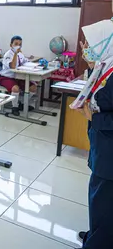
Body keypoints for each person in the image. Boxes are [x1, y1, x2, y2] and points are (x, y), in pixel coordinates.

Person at [70, 19, 113, 249]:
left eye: (94, 43)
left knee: (105, 202)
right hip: (102, 145)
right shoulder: (108, 65)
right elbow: (96, 89)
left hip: (110, 154)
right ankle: (94, 235)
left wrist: (93, 117)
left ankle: (97, 242)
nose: (89, 47)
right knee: (98, 199)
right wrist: (90, 64)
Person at [0, 36, 37, 116]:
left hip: (18, 77)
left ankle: (22, 104)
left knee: (33, 87)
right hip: (6, 77)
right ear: (11, 45)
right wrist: (15, 53)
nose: (18, 46)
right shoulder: (8, 54)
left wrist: (35, 64)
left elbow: (26, 62)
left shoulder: (20, 54)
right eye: (16, 44)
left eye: (20, 44)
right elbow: (12, 66)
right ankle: (14, 107)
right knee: (15, 88)